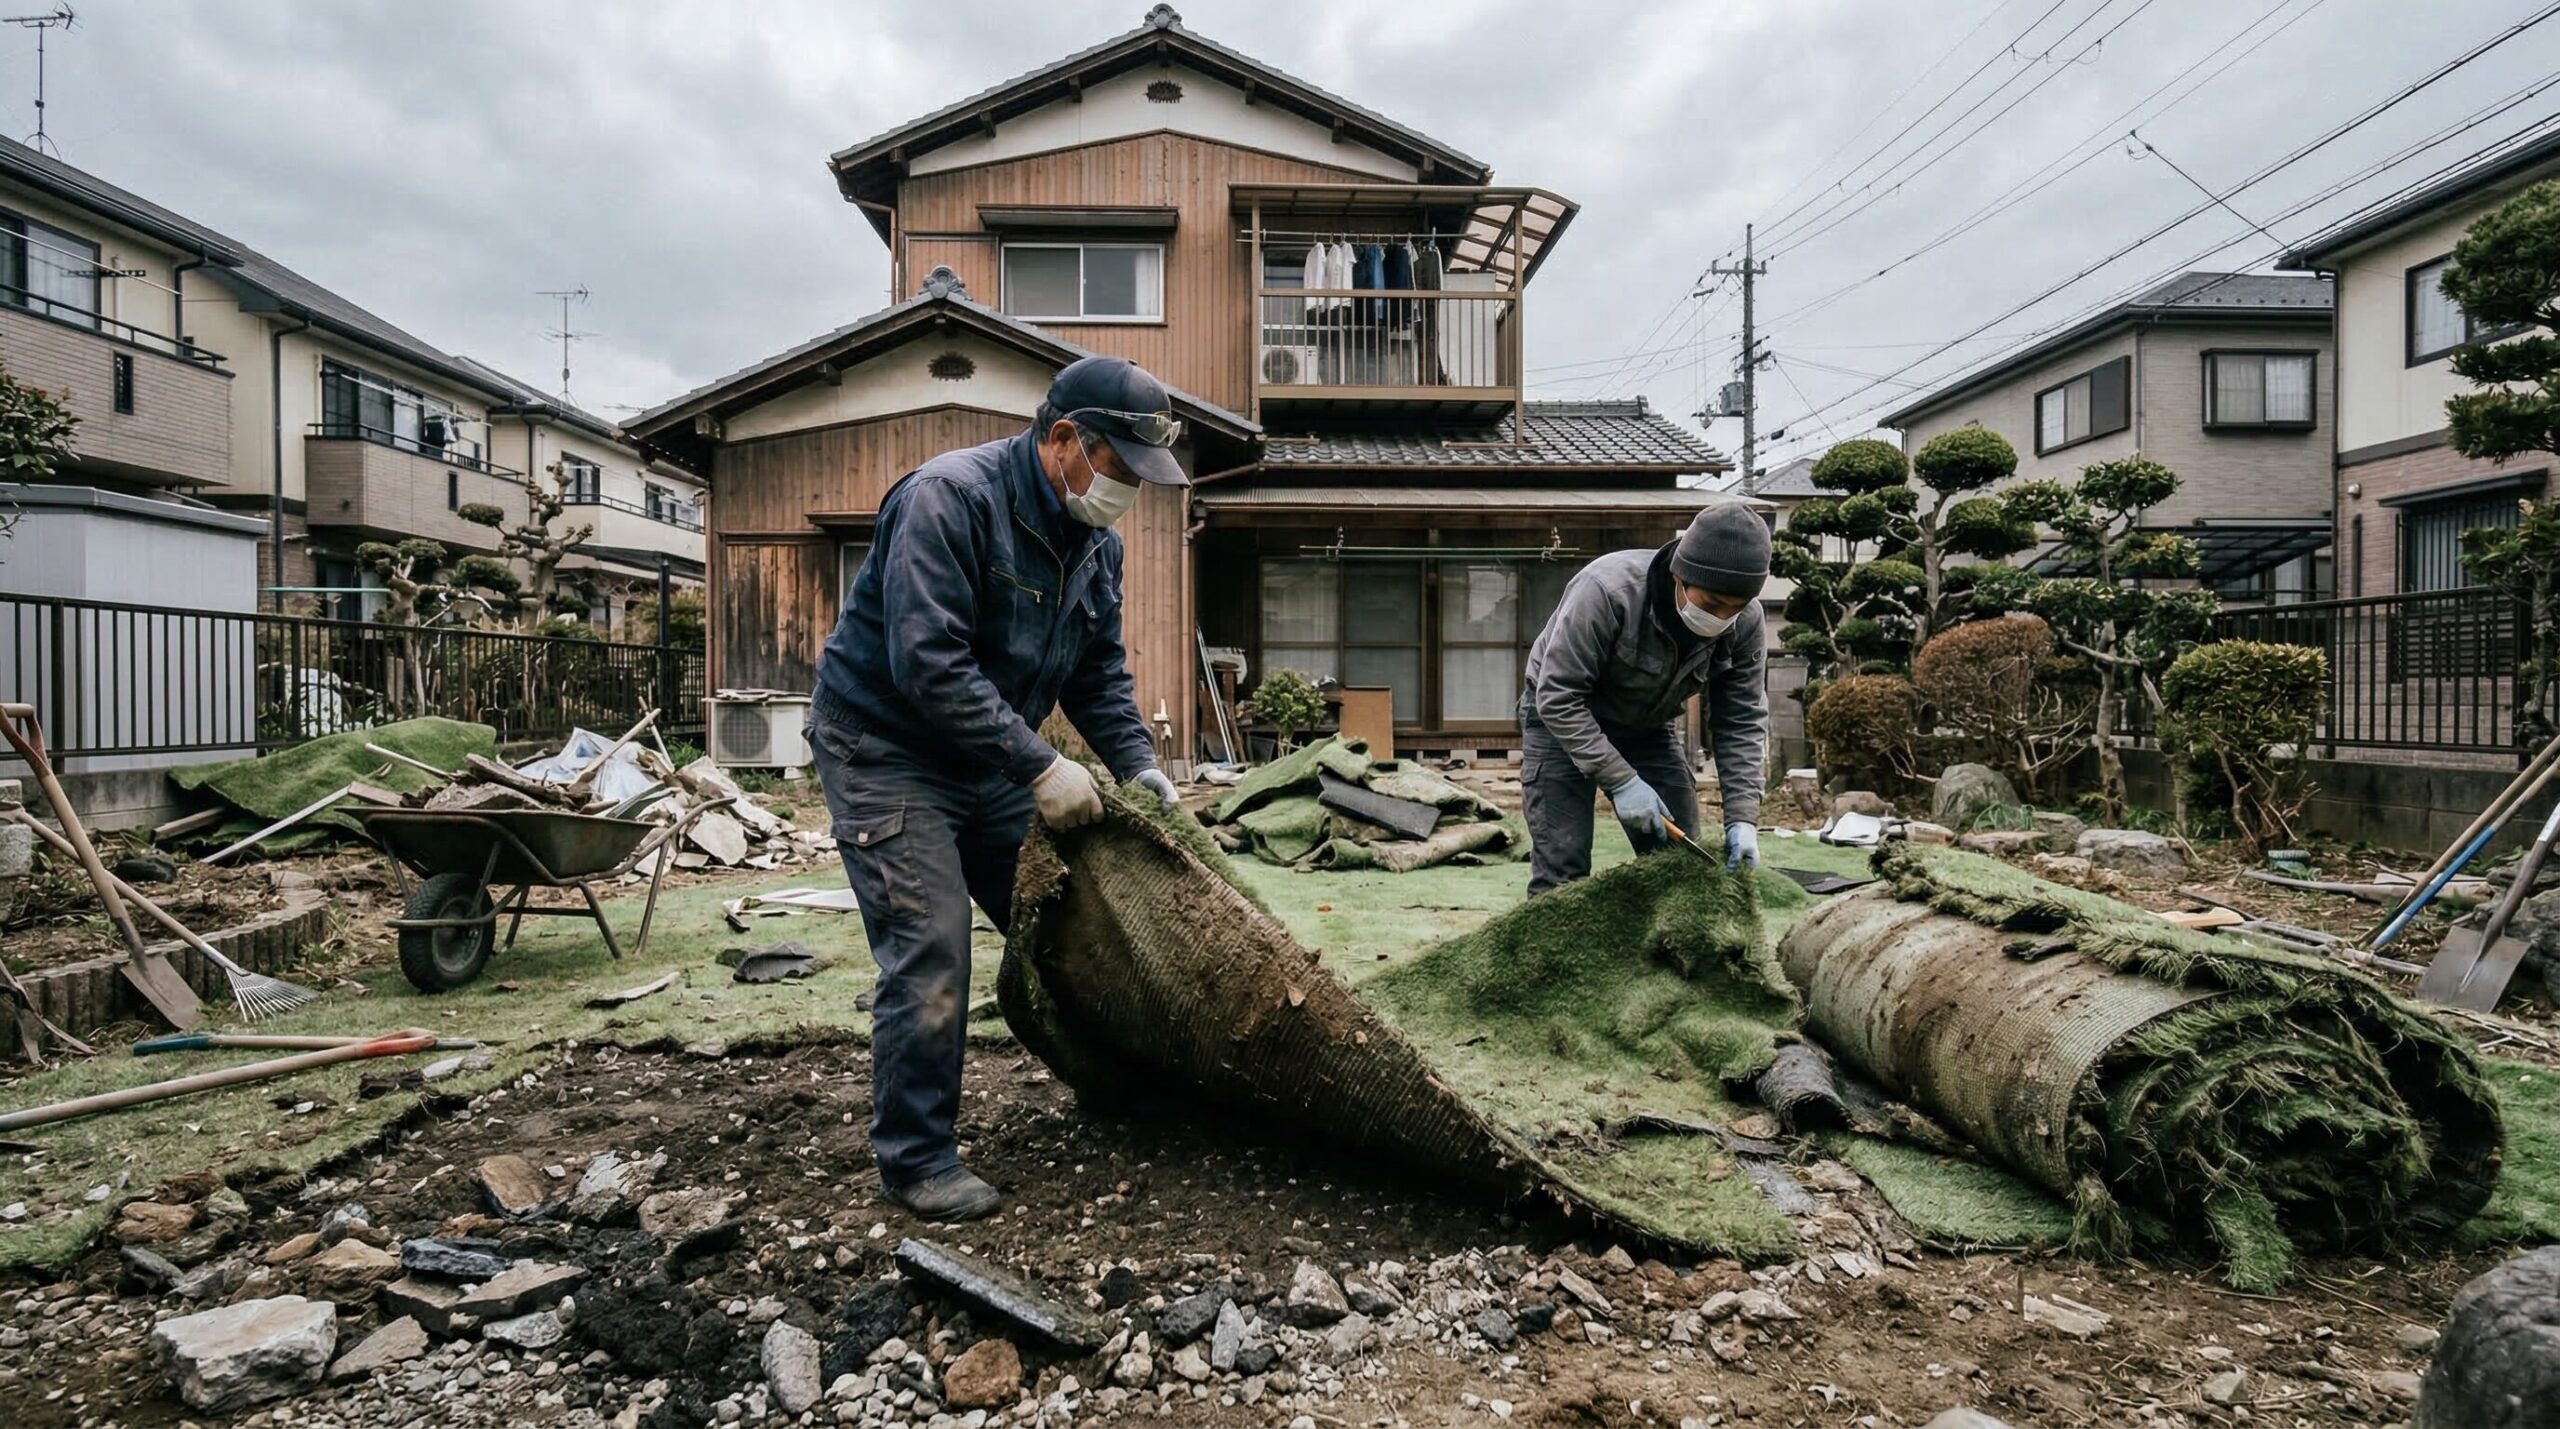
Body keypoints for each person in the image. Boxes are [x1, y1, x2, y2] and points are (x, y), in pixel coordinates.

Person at [804, 355, 1186, 1221]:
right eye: (1121, 468)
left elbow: (1097, 672)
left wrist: (1139, 765)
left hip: (987, 753)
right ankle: (916, 1158)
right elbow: (927, 663)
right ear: (1065, 440)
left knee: (1073, 916)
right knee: (932, 943)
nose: (1128, 490)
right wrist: (1040, 765)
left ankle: (1111, 1081)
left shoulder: (1095, 542)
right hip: (888, 749)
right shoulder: (949, 499)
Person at [1517, 503, 1772, 896]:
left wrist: (1743, 818)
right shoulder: (1606, 591)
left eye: (1735, 608)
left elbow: (1741, 720)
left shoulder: (1746, 622)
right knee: (1562, 871)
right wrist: (1622, 782)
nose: (1721, 618)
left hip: (1647, 727)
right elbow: (1559, 696)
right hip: (1560, 720)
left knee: (1681, 865)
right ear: (1679, 576)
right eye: (1711, 604)